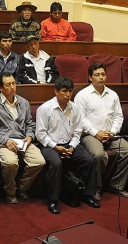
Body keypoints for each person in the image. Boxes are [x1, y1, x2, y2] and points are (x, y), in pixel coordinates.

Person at [37, 77, 100, 213]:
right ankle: (53, 200)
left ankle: (88, 195)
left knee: (88, 160)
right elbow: (40, 134)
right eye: (64, 91)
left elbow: (78, 131)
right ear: (56, 91)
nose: (68, 94)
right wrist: (56, 147)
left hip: (70, 143)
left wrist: (71, 146)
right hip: (50, 145)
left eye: (70, 91)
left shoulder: (75, 108)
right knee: (56, 163)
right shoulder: (45, 108)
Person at [75, 63, 128, 201]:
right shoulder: (82, 95)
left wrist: (113, 132)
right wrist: (96, 133)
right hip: (90, 135)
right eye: (97, 75)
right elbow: (80, 119)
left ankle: (116, 185)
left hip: (110, 135)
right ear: (90, 77)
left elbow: (118, 116)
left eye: (103, 74)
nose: (101, 77)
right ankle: (95, 188)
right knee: (98, 154)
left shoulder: (113, 95)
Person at [0, 74, 47, 205]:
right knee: (11, 162)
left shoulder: (23, 102)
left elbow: (30, 124)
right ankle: (10, 192)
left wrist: (30, 136)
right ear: (0, 88)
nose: (12, 87)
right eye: (8, 85)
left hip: (22, 140)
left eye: (14, 83)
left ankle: (21, 187)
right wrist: (6, 140)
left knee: (39, 161)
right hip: (4, 142)